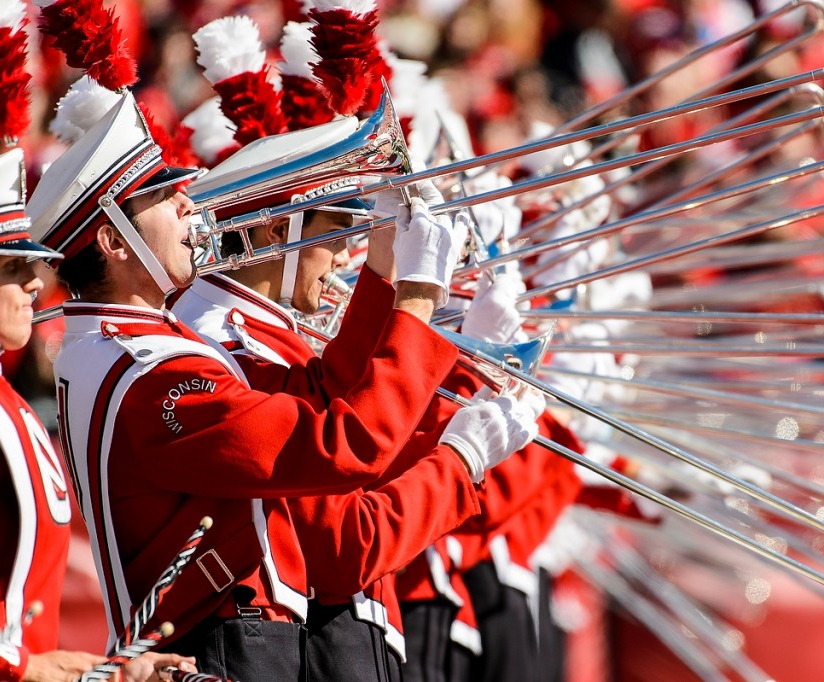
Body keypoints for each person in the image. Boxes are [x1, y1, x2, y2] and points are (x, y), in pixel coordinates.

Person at [24, 91, 532, 681]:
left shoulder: (141, 346)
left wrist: (386, 274)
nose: (190, 206)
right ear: (115, 242)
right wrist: (417, 300)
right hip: (225, 642)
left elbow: (320, 393)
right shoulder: (147, 369)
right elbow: (341, 444)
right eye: (165, 198)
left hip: (247, 637)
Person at [170, 120, 545, 681]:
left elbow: (345, 396)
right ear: (277, 230)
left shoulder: (259, 330)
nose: (343, 255)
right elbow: (350, 513)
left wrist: (390, 267)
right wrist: (461, 451)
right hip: (313, 635)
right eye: (335, 235)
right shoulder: (224, 339)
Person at [0, 149, 195, 682]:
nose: (34, 283)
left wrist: (109, 673)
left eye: (32, 264)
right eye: (10, 267)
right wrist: (23, 668)